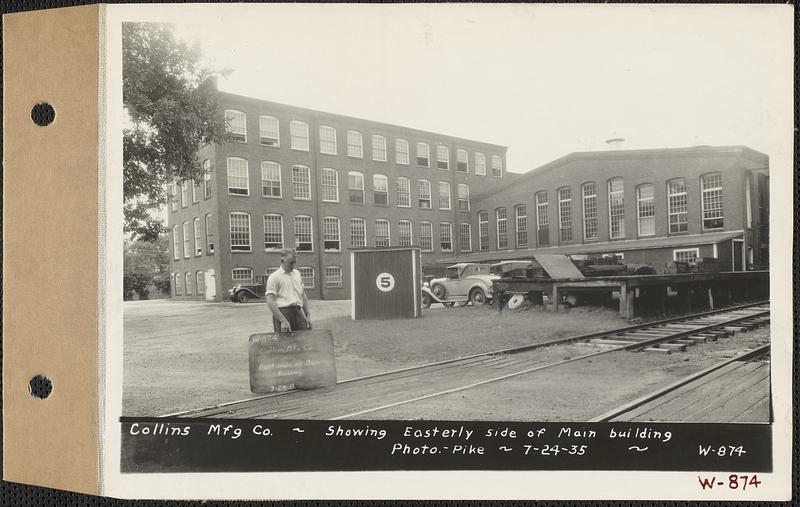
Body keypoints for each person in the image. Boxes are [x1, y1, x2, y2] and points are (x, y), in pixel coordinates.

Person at [265, 249, 312, 333]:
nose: (293, 266)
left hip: (298, 312)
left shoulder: (297, 274)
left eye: (294, 263)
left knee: (303, 341)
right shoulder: (274, 277)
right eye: (291, 263)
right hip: (283, 313)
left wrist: (307, 315)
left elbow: (303, 295)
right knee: (284, 343)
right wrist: (283, 320)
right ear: (282, 261)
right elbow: (270, 301)